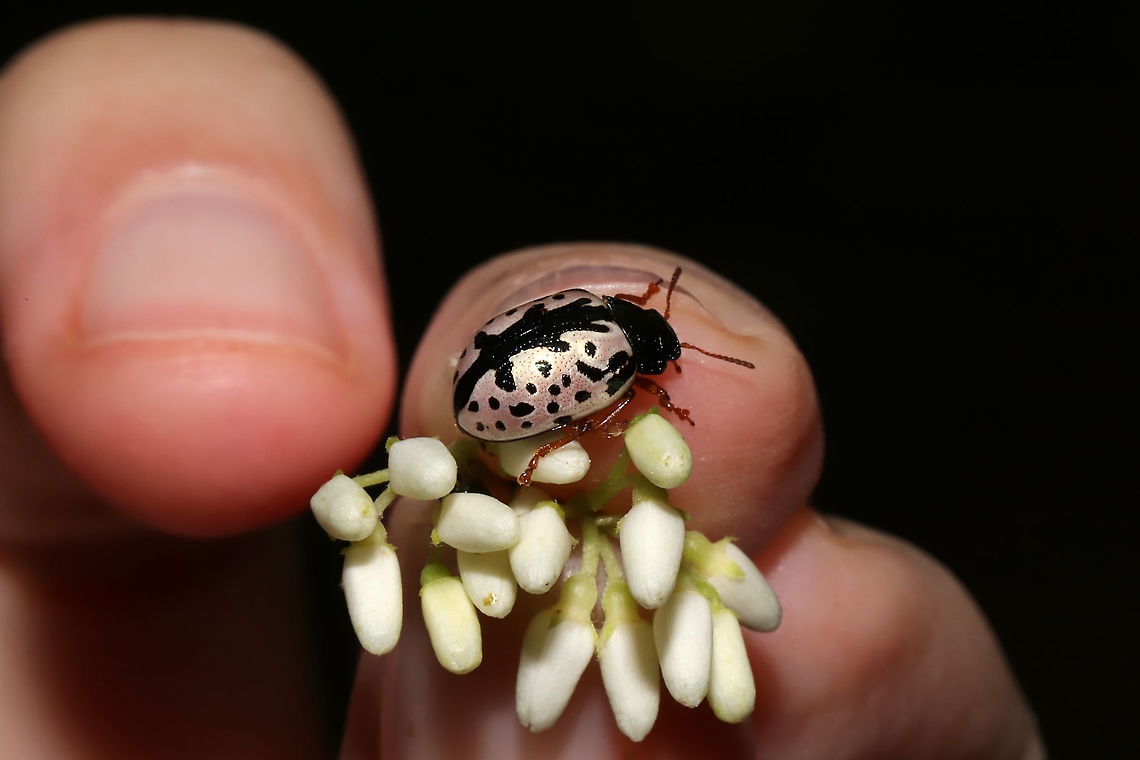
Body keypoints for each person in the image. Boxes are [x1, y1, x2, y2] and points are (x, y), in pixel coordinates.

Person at [0, 18, 1044, 759]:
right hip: (489, 402)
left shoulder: (613, 368)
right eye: (657, 334)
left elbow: (576, 387)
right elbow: (593, 399)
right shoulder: (620, 379)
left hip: (491, 398)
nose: (658, 357)